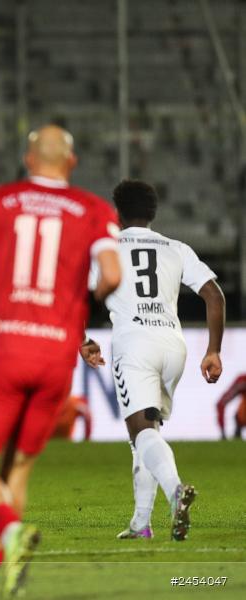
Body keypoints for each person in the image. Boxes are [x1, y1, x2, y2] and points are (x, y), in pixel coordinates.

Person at [0, 125, 122, 599]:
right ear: (72, 163)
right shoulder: (94, 209)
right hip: (55, 355)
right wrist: (75, 303)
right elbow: (112, 274)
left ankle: (10, 533)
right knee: (16, 471)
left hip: (4, 348)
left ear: (29, 160)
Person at [79, 180, 225, 542]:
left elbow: (78, 297)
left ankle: (175, 491)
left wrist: (83, 339)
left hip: (135, 343)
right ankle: (140, 523)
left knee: (142, 431)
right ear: (153, 213)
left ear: (117, 212)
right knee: (146, 434)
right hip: (173, 344)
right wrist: (214, 350)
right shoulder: (177, 248)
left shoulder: (107, 248)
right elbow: (214, 295)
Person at [216, 374, 246, 439]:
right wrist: (223, 433)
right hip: (241, 418)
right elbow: (220, 404)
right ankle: (237, 432)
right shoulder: (243, 380)